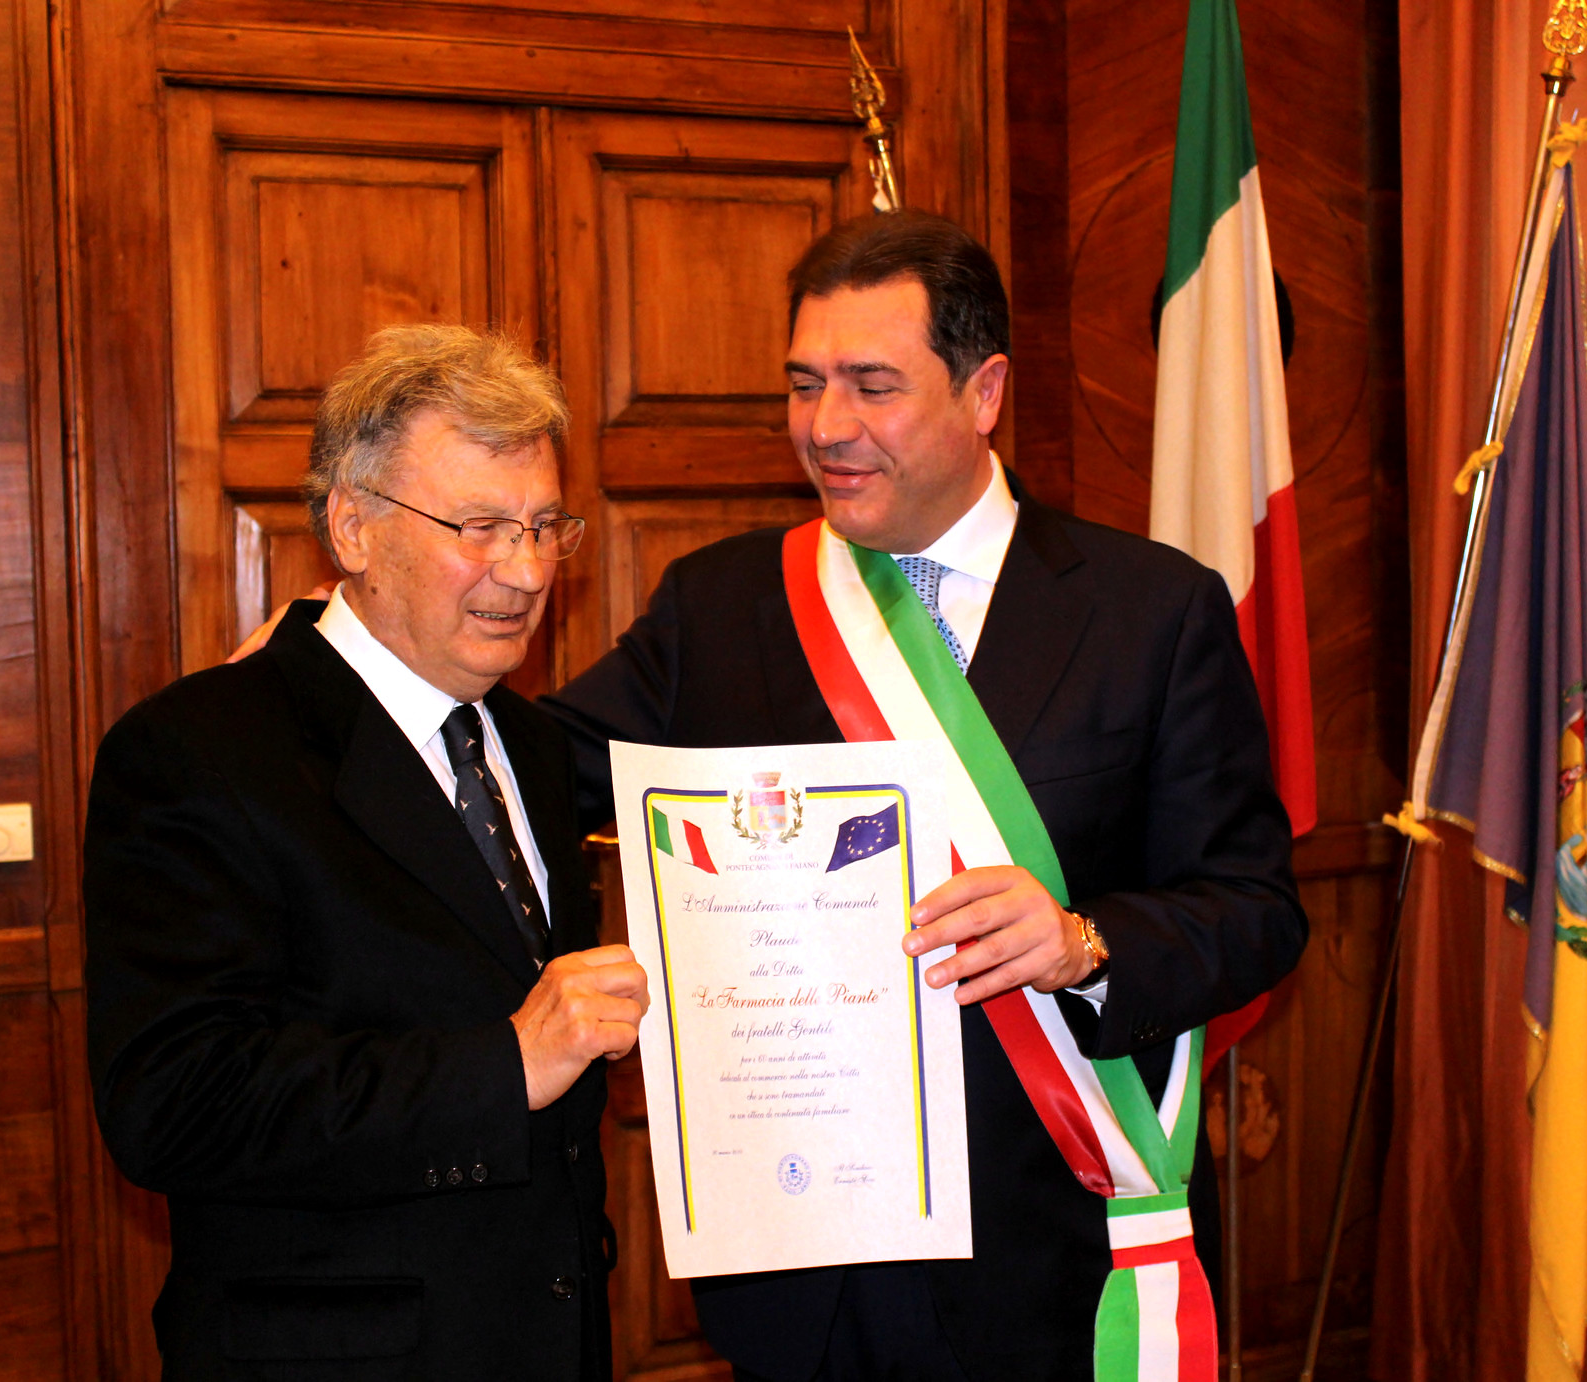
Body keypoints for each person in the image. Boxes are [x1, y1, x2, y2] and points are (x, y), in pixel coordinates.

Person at [539, 211, 1308, 1381]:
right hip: (804, 1276)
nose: (826, 426)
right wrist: (353, 672)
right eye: (804, 384)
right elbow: (531, 767)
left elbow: (1254, 909)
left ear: (983, 390)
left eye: (872, 385)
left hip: (1053, 1254)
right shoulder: (721, 604)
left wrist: (1083, 941)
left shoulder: (1149, 610)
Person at [85, 324, 650, 1382]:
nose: (526, 570)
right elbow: (173, 1105)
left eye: (544, 526)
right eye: (480, 527)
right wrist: (505, 1066)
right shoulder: (199, 749)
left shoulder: (527, 742)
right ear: (353, 526)